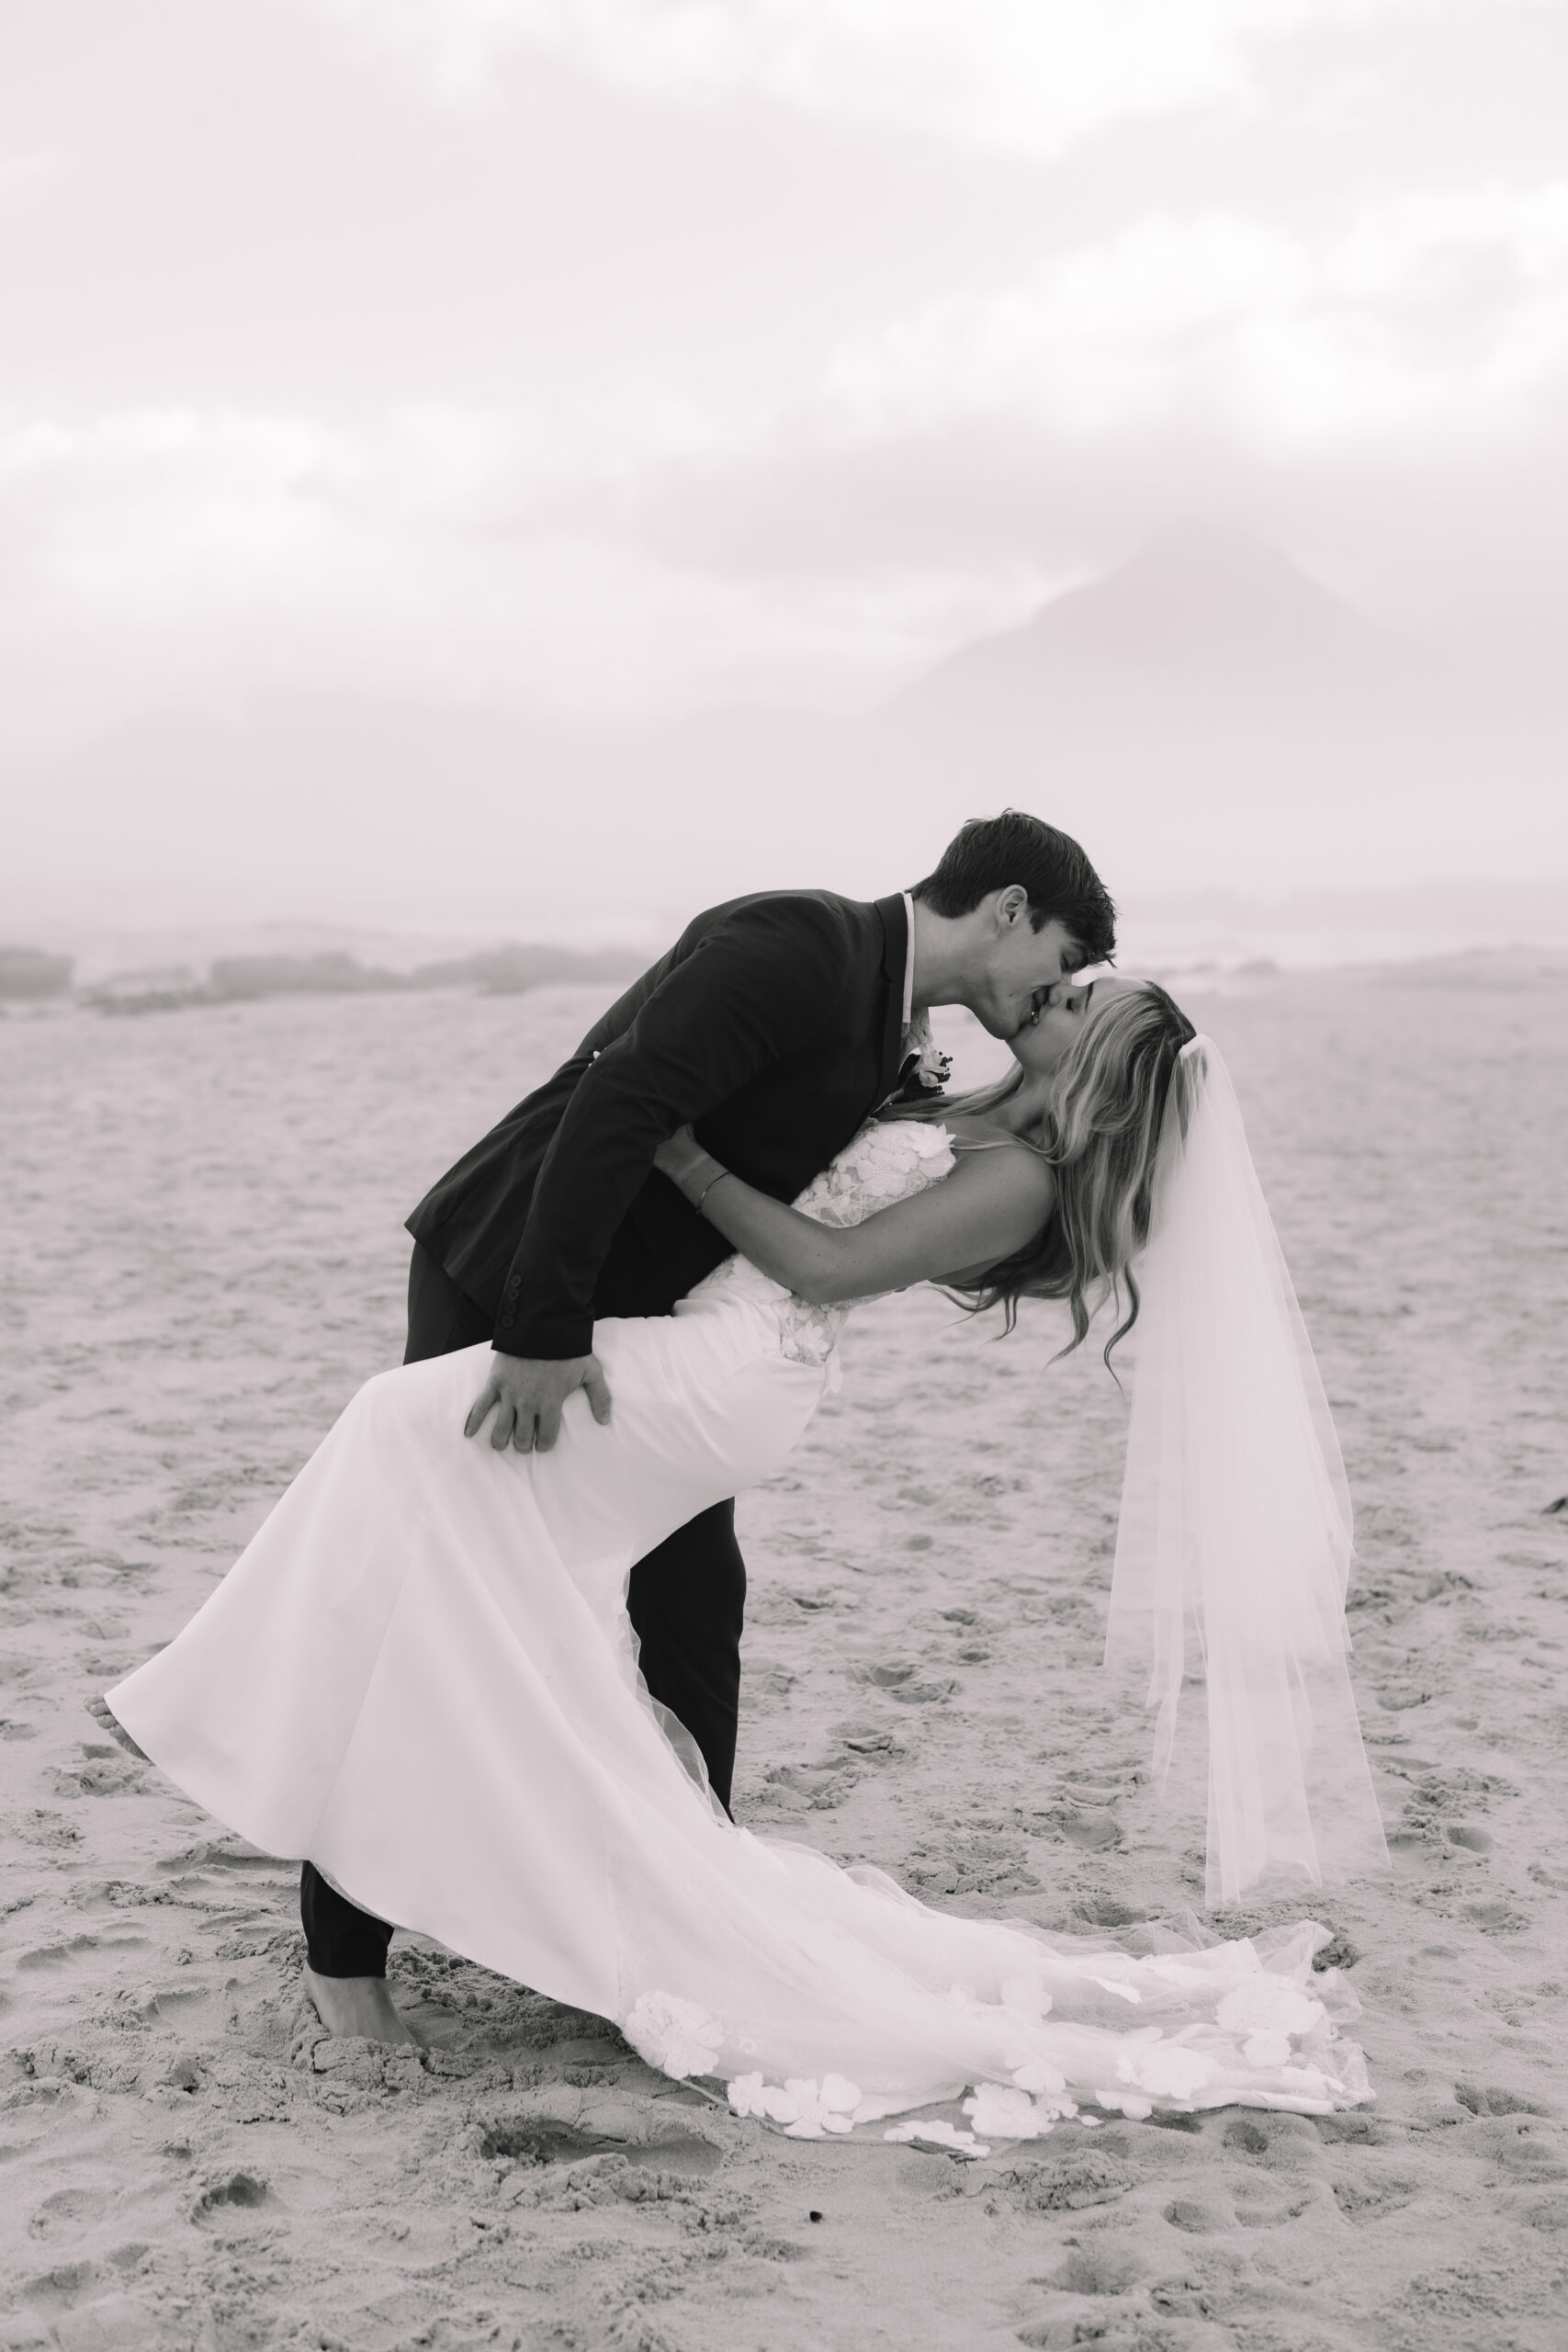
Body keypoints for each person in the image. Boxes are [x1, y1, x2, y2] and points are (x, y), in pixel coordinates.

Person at [106, 972, 1387, 2134]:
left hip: (740, 1368)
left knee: (402, 1429)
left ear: (1099, 1050)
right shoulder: (973, 1106)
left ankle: (202, 1705)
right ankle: (289, 1753)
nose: (1054, 994)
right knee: (464, 1549)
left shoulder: (1029, 1179)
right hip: (719, 1343)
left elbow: (826, 1265)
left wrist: (681, 1156)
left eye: (1077, 996)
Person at [299, 810, 1117, 2039]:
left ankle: (672, 1935)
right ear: (1006, 909)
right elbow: (614, 1097)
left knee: (692, 1613)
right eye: (1059, 955)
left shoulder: (896, 1024)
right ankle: (342, 1964)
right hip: (519, 1283)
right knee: (447, 1597)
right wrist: (542, 1328)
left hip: (656, 1336)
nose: (1058, 985)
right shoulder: (799, 942)